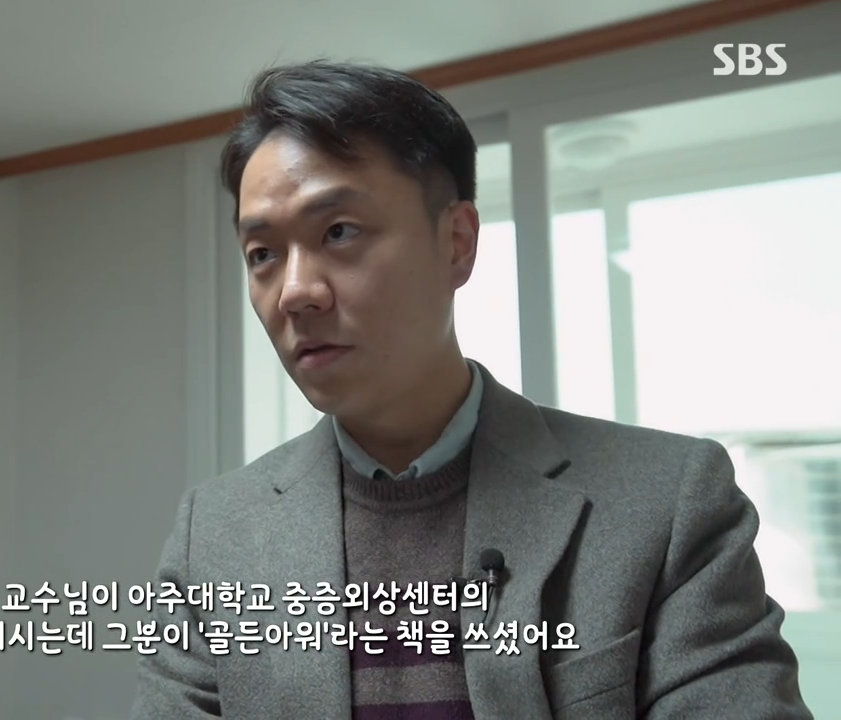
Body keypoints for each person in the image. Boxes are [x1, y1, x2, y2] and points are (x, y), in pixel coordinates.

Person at [130, 60, 813, 719]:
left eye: (339, 231)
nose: (296, 292)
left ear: (456, 242)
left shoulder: (669, 502)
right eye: (263, 254)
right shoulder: (213, 536)